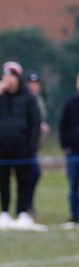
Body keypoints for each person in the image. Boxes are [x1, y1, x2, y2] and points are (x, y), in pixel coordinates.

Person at [0, 61, 40, 223]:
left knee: (23, 180)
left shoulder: (28, 97)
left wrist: (32, 145)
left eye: (11, 76)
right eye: (5, 75)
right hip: (1, 146)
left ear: (17, 78)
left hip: (22, 147)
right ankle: (4, 212)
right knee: (3, 180)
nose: (7, 79)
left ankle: (22, 211)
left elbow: (35, 122)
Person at [26, 73, 49, 214]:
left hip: (36, 144)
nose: (33, 86)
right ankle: (25, 206)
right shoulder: (26, 99)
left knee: (34, 174)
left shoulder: (39, 100)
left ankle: (29, 205)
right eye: (30, 83)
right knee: (32, 173)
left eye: (35, 83)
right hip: (27, 144)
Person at [59, 74, 79, 224]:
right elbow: (62, 126)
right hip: (73, 151)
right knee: (73, 186)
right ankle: (74, 215)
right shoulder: (70, 103)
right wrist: (65, 146)